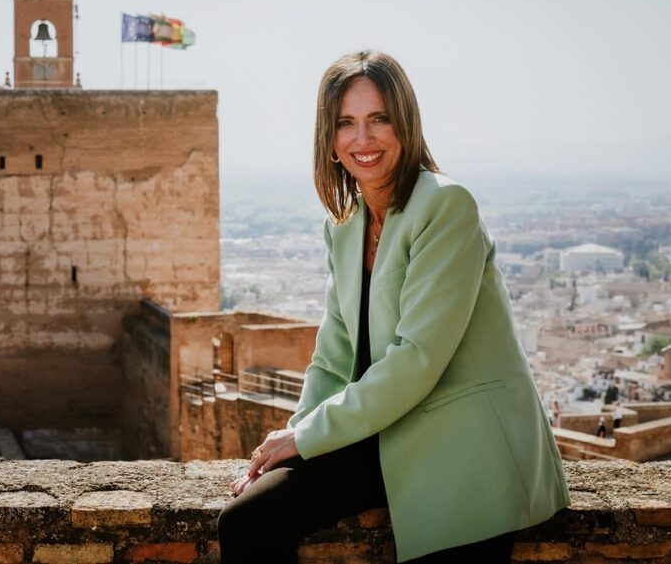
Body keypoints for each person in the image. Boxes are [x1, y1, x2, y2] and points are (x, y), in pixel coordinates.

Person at [217, 51, 570, 563]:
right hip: (387, 427)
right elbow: (333, 356)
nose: (363, 139)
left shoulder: (447, 206)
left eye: (378, 119)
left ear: (405, 124)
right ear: (330, 140)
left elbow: (416, 358)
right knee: (248, 520)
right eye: (346, 123)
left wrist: (309, 436)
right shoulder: (343, 224)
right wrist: (295, 435)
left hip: (462, 443)